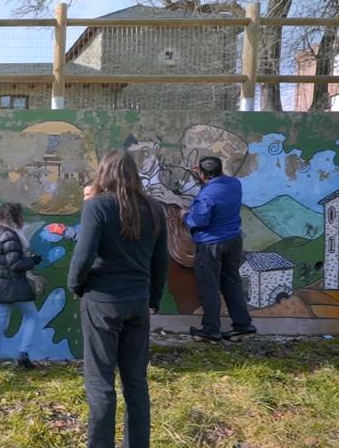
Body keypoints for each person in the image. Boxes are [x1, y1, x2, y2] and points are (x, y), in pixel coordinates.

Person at [68, 150, 168, 448]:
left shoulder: (97, 206)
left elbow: (83, 256)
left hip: (101, 300)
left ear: (104, 173)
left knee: (100, 382)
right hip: (138, 302)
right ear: (135, 174)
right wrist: (154, 298)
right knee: (136, 382)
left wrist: (76, 286)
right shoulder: (155, 208)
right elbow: (161, 261)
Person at [184, 156, 256, 342]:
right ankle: (242, 325)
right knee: (231, 282)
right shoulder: (234, 184)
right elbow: (219, 182)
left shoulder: (206, 196)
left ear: (202, 173)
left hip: (211, 245)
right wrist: (202, 174)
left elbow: (198, 220)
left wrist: (185, 216)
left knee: (209, 286)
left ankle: (210, 329)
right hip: (233, 240)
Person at [0, 202, 43, 369]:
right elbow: (15, 264)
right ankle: (23, 353)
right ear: (15, 217)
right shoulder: (10, 236)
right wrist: (33, 261)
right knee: (32, 316)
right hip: (14, 286)